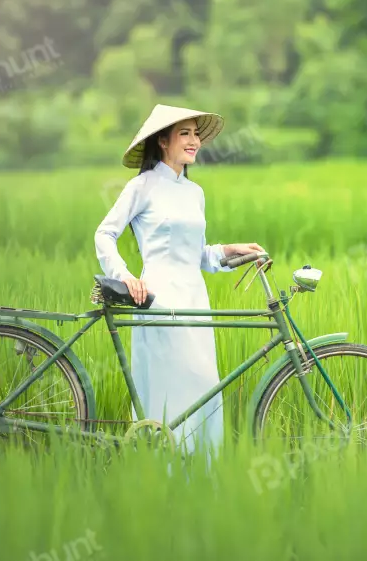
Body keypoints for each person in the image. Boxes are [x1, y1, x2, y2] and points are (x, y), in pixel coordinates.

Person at [94, 104, 265, 464]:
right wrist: (125, 275)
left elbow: (196, 254)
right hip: (158, 298)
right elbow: (105, 234)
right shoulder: (141, 186)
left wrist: (230, 250)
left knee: (205, 388)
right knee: (175, 388)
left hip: (194, 301)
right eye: (184, 133)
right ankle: (163, 473)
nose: (194, 141)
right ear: (163, 141)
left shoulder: (194, 192)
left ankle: (200, 481)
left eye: (196, 134)